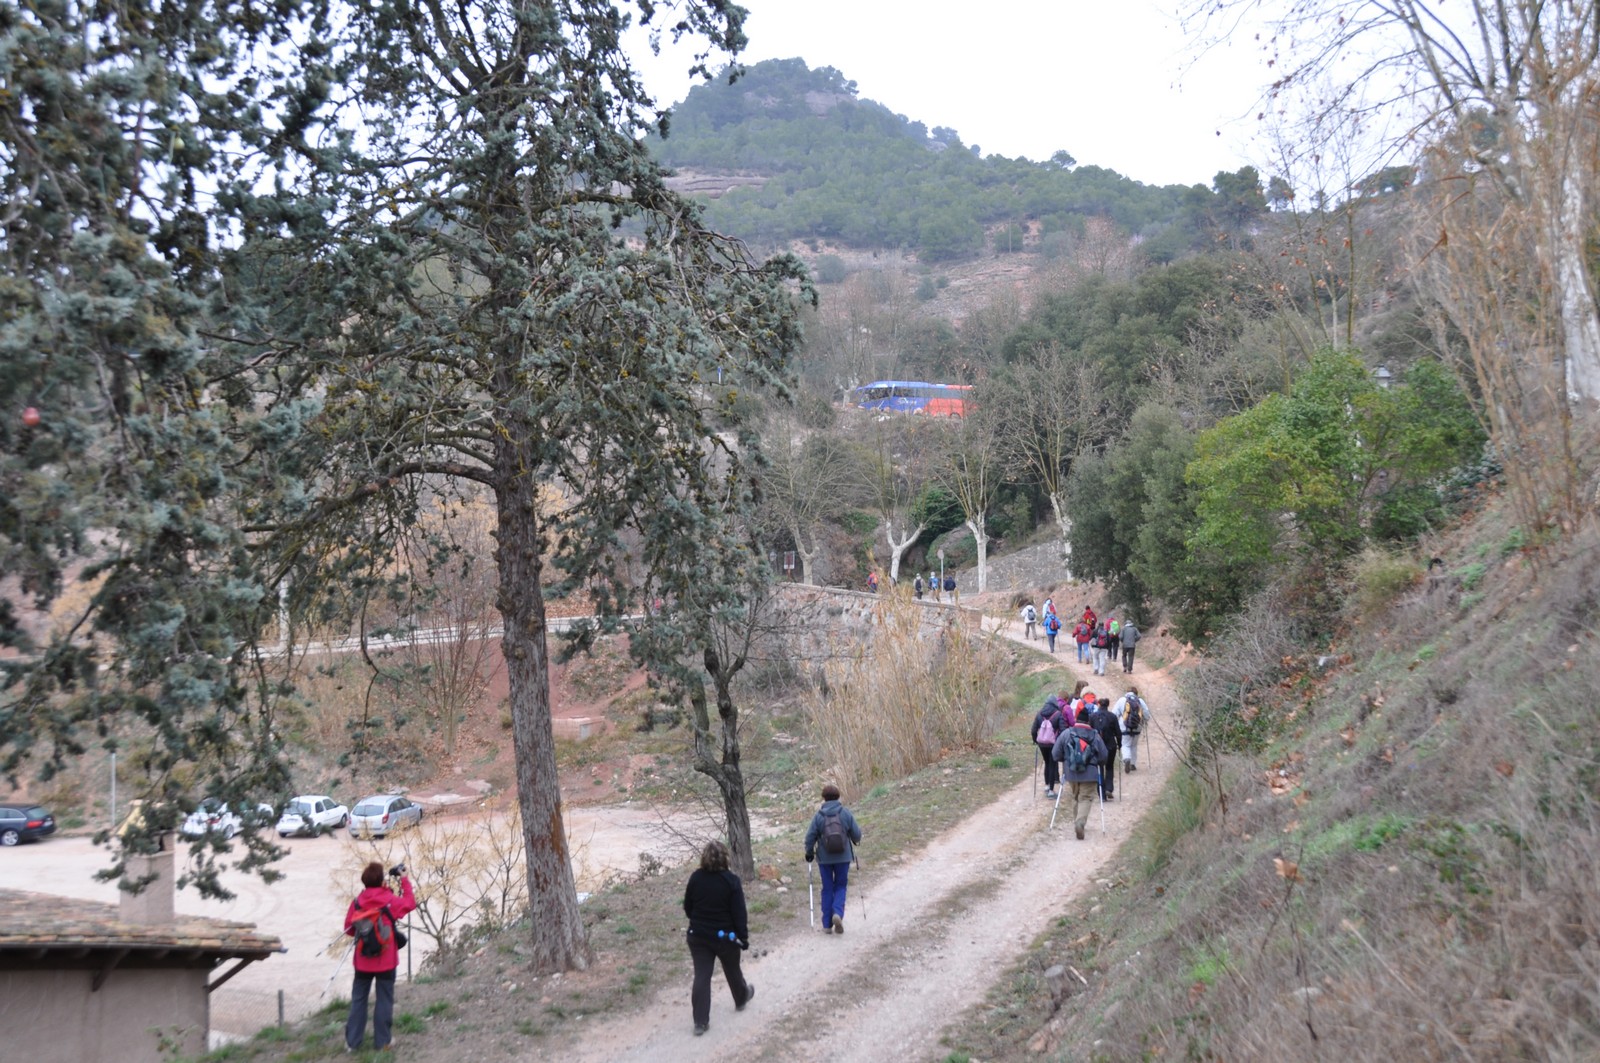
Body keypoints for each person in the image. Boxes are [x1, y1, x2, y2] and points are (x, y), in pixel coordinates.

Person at [344, 861, 417, 1052]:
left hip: (362, 961)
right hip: (386, 961)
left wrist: (366, 931)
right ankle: (383, 1042)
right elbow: (410, 903)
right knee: (384, 999)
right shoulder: (389, 900)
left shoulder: (357, 903)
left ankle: (352, 1043)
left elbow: (349, 930)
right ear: (381, 879)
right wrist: (404, 880)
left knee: (359, 1000)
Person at [683, 839, 753, 1035]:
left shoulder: (696, 878)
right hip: (725, 937)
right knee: (732, 968)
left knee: (702, 975)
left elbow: (688, 907)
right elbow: (739, 913)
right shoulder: (731, 881)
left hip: (698, 936)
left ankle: (700, 1022)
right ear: (725, 858)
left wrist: (699, 921)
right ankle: (741, 998)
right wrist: (743, 938)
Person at [804, 784, 863, 934]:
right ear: (838, 796)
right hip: (843, 858)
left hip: (824, 859)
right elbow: (857, 835)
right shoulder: (845, 813)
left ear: (824, 798)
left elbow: (810, 837)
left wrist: (809, 852)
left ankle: (826, 924)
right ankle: (837, 912)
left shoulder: (818, 816)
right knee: (841, 886)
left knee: (827, 888)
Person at [1052, 712, 1108, 840]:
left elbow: (1055, 754)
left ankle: (1077, 822)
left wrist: (1066, 761)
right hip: (1090, 774)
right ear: (1088, 721)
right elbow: (1104, 755)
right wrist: (1097, 763)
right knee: (1085, 798)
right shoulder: (1095, 735)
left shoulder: (1066, 733)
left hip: (1071, 773)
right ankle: (1080, 822)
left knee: (1076, 796)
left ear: (1076, 720)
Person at [1086, 696, 1121, 800]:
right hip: (1110, 745)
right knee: (1109, 767)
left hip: (1097, 746)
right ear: (1108, 705)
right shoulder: (1112, 716)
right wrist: (1120, 744)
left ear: (1099, 704)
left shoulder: (1092, 716)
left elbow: (1089, 732)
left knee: (1099, 768)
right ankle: (1109, 788)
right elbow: (1118, 733)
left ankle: (1101, 793)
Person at [1032, 694, 1066, 797]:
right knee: (1052, 764)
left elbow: (1033, 730)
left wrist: (1036, 740)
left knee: (1047, 763)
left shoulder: (1039, 713)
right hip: (1053, 743)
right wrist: (1060, 742)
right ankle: (1051, 791)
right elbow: (1063, 730)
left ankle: (1046, 786)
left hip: (1042, 744)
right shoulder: (1058, 714)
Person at [1114, 687, 1151, 772]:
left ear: (1127, 692)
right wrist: (1144, 720)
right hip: (1137, 727)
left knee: (1125, 745)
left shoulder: (1122, 700)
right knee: (1134, 745)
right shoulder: (1140, 701)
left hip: (1124, 727)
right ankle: (1132, 764)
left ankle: (1127, 758)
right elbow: (1147, 715)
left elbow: (1114, 714)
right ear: (1136, 693)